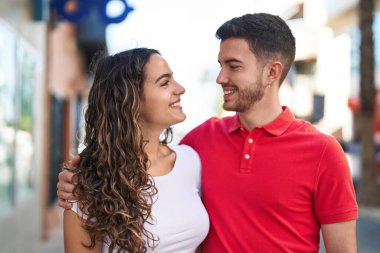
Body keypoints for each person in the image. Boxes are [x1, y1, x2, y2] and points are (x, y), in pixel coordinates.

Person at [58, 13, 358, 253]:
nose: (220, 78)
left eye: (233, 66)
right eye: (220, 65)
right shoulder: (200, 143)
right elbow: (132, 165)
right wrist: (74, 181)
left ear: (272, 72)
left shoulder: (323, 151)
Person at [62, 48, 209, 253]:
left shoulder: (190, 160)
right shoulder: (89, 181)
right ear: (129, 100)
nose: (181, 89)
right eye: (165, 83)